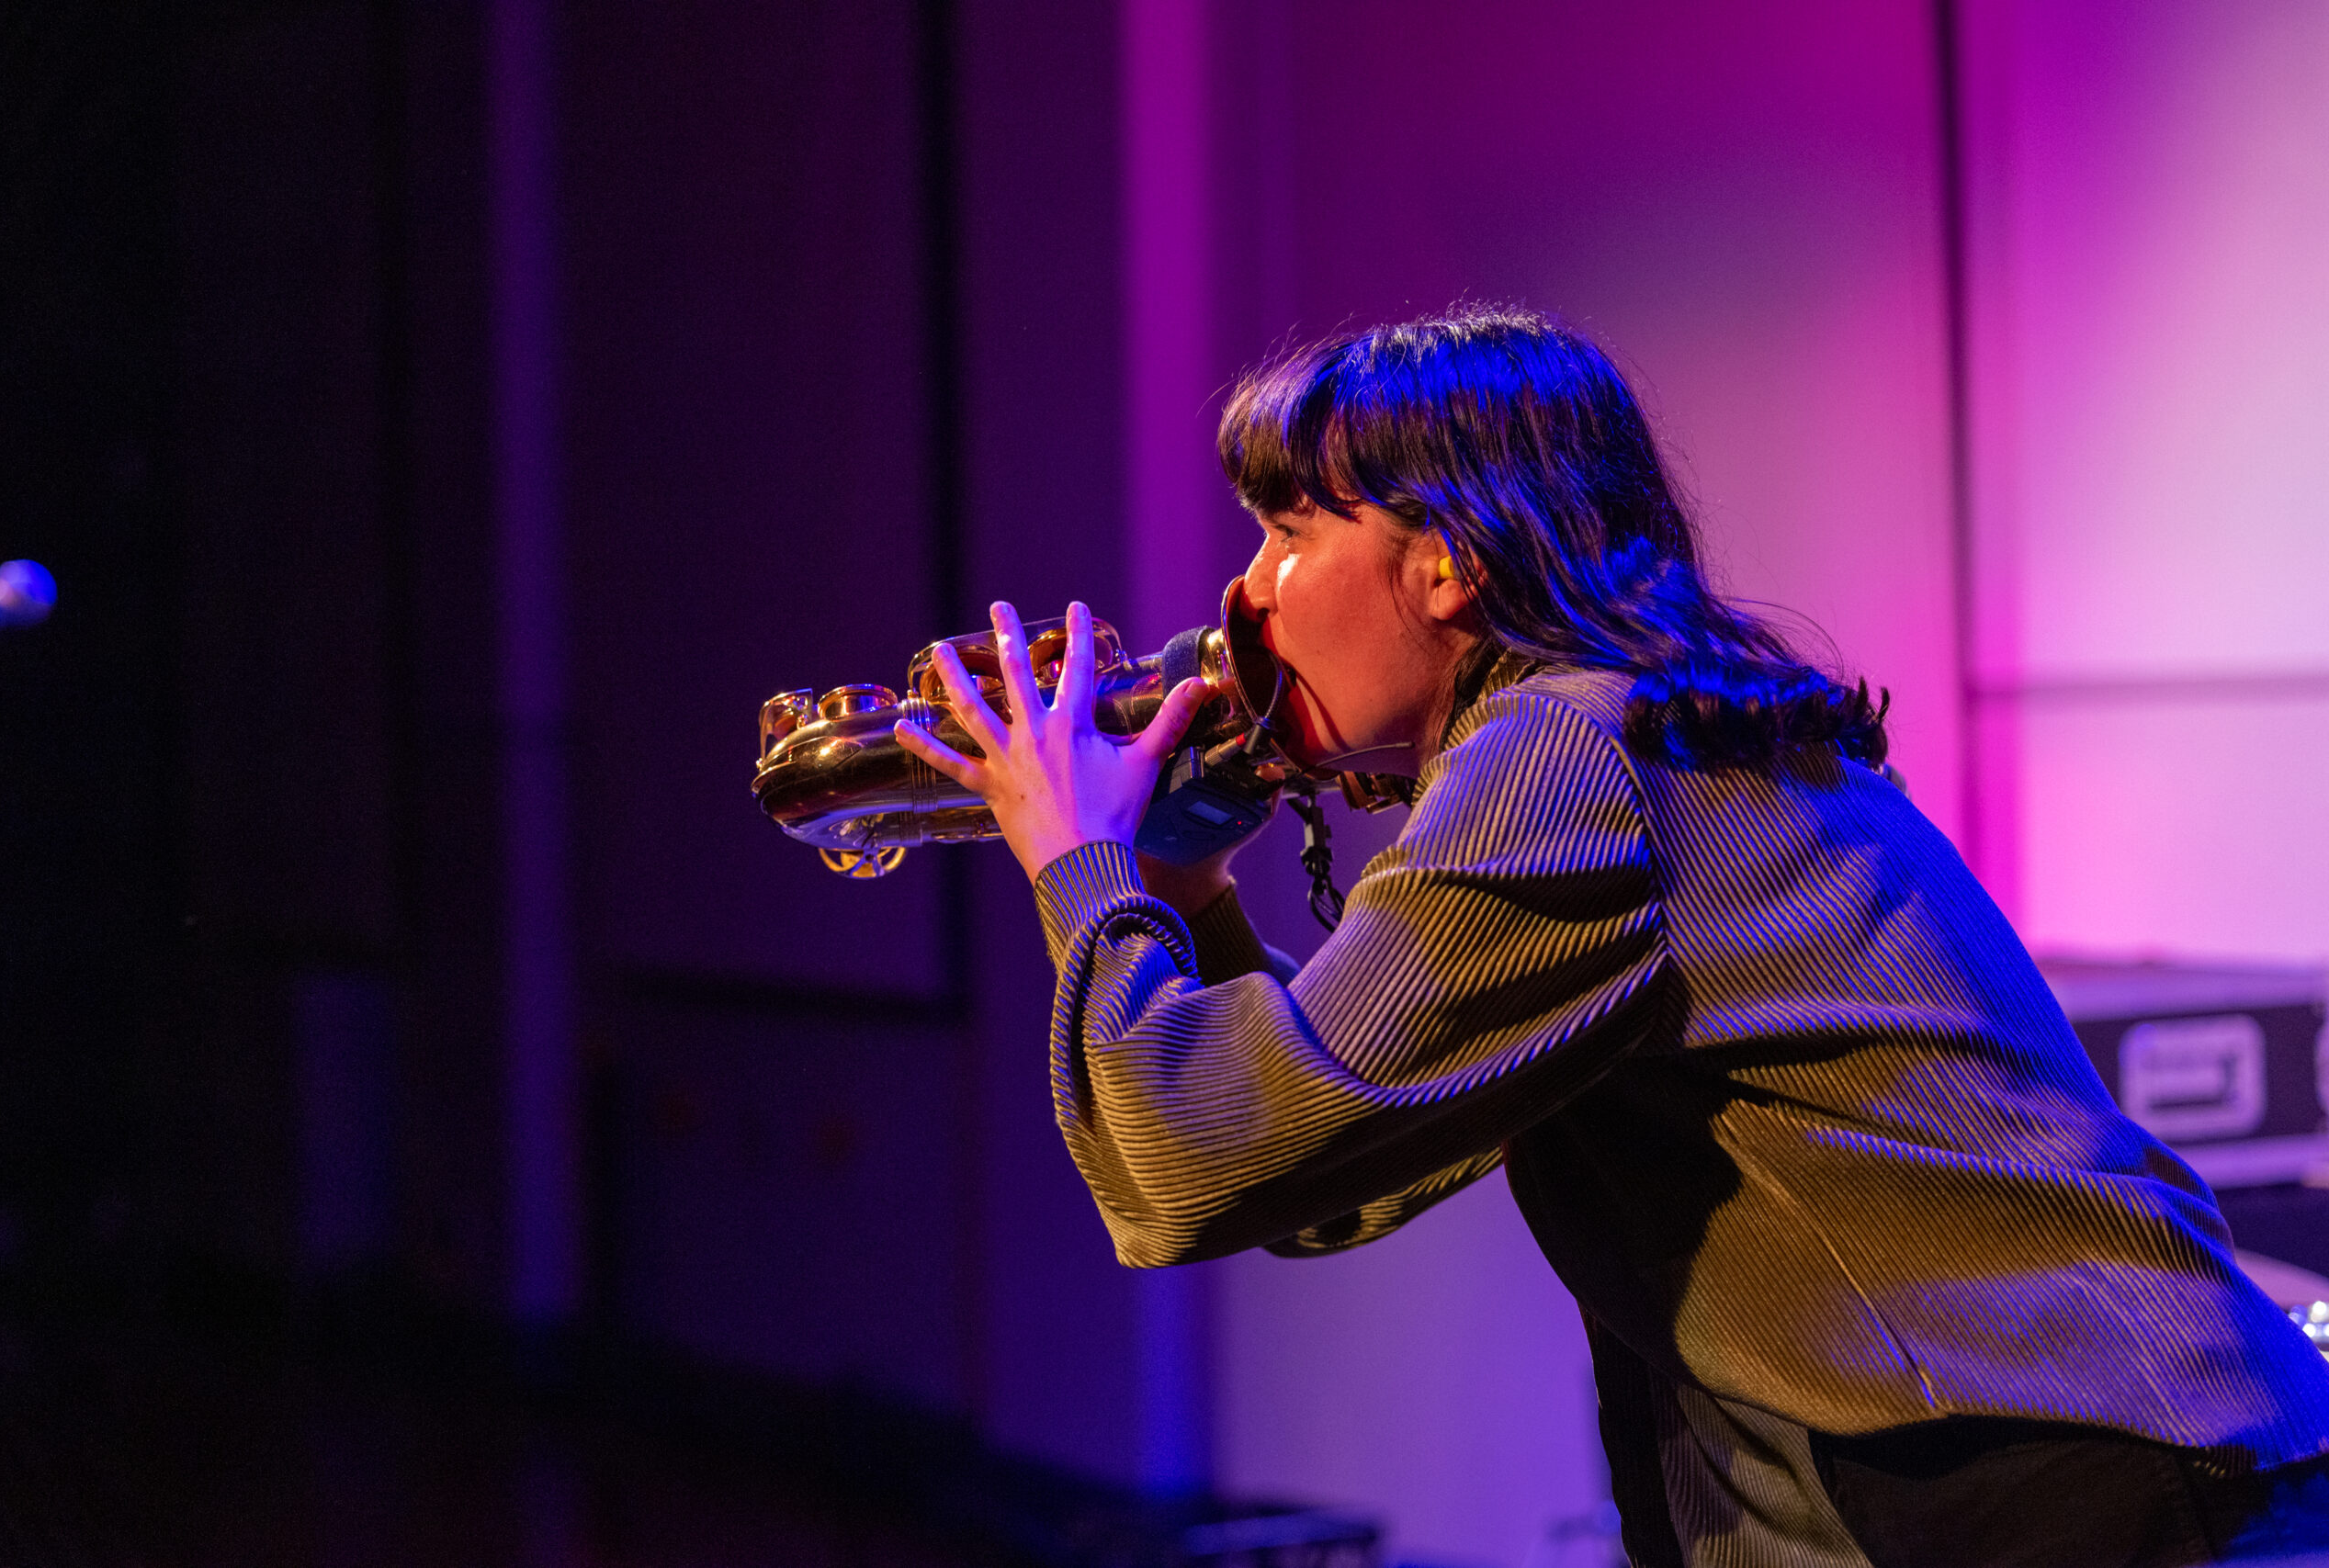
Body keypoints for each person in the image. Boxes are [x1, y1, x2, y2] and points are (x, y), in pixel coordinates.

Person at [891, 307, 2329, 1567]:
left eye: (1287, 534)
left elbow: (1208, 1155)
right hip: (2084, 1473)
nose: (1244, 599)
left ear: (1446, 561)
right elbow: (1324, 1172)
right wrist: (1190, 890)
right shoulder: (1642, 720)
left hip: (2058, 1500)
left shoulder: (1565, 749)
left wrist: (1080, 862)